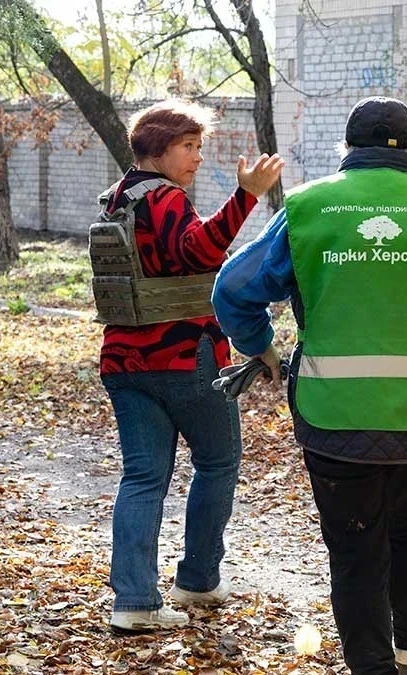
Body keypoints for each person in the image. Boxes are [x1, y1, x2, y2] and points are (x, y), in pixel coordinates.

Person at [212, 96, 407, 675]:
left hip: (333, 415)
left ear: (347, 149)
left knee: (355, 550)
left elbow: (233, 289)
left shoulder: (308, 208)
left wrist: (262, 348)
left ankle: (372, 666)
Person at [99, 99, 284, 634]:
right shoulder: (165, 198)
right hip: (185, 356)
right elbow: (198, 251)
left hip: (125, 360)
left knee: (142, 476)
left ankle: (134, 600)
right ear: (157, 149)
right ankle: (199, 579)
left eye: (199, 146)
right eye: (188, 146)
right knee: (218, 460)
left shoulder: (117, 199)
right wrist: (246, 196)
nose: (198, 157)